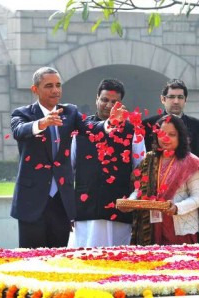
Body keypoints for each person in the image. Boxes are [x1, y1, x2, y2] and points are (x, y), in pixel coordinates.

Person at [10, 66, 109, 248]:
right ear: (35, 89)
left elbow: (89, 128)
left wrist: (109, 124)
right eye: (49, 86)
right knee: (31, 259)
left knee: (58, 258)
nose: (55, 90)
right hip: (32, 200)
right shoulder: (22, 114)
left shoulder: (69, 112)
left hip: (61, 201)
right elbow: (19, 131)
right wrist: (42, 123)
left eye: (58, 85)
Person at [118, 115, 199, 245]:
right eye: (162, 133)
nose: (166, 138)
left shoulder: (191, 162)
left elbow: (198, 197)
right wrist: (130, 203)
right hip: (153, 228)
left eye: (172, 134)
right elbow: (140, 191)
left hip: (182, 228)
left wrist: (177, 207)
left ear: (180, 137)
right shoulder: (149, 160)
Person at [71, 78, 146, 247]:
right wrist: (68, 208)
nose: (109, 105)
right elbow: (69, 169)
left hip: (119, 208)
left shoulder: (133, 131)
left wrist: (133, 199)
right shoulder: (81, 129)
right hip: (86, 208)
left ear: (121, 104)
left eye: (114, 102)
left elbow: (141, 169)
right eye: (104, 100)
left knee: (117, 261)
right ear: (96, 99)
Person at [143, 79, 199, 169]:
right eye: (171, 97)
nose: (176, 101)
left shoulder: (197, 126)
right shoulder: (148, 125)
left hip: (190, 179)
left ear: (185, 100)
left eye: (180, 97)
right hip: (158, 179)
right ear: (163, 99)